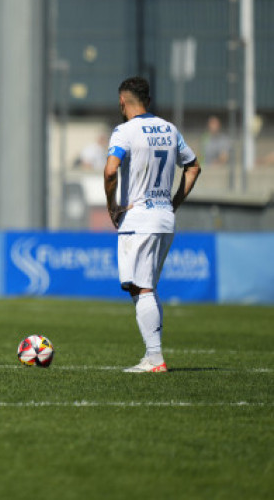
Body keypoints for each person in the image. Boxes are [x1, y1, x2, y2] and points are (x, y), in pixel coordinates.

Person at [104, 76, 201, 373]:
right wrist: (173, 203)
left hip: (139, 219)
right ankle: (152, 355)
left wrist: (112, 208)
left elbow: (110, 171)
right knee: (143, 286)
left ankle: (156, 359)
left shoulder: (124, 131)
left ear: (123, 101)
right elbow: (193, 167)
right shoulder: (170, 130)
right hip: (163, 218)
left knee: (142, 288)